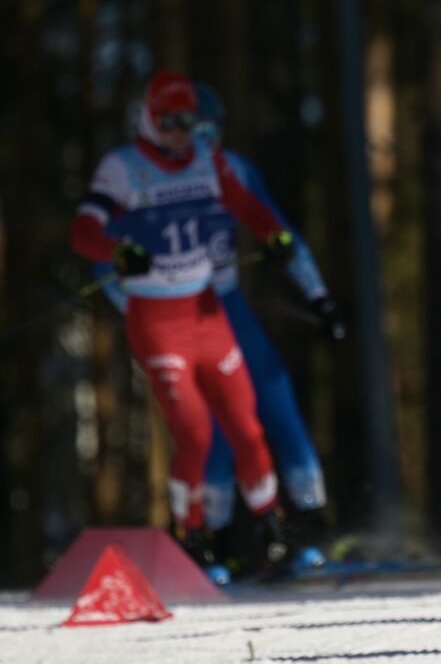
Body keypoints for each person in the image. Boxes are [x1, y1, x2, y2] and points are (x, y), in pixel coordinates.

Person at [95, 83, 345, 575]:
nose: (200, 143)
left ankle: (307, 534)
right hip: (176, 314)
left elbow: (280, 231)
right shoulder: (138, 174)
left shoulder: (230, 168)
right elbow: (104, 255)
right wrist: (137, 310)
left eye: (210, 132)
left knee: (274, 404)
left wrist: (320, 298)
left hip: (224, 304)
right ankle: (215, 545)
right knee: (207, 434)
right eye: (192, 131)